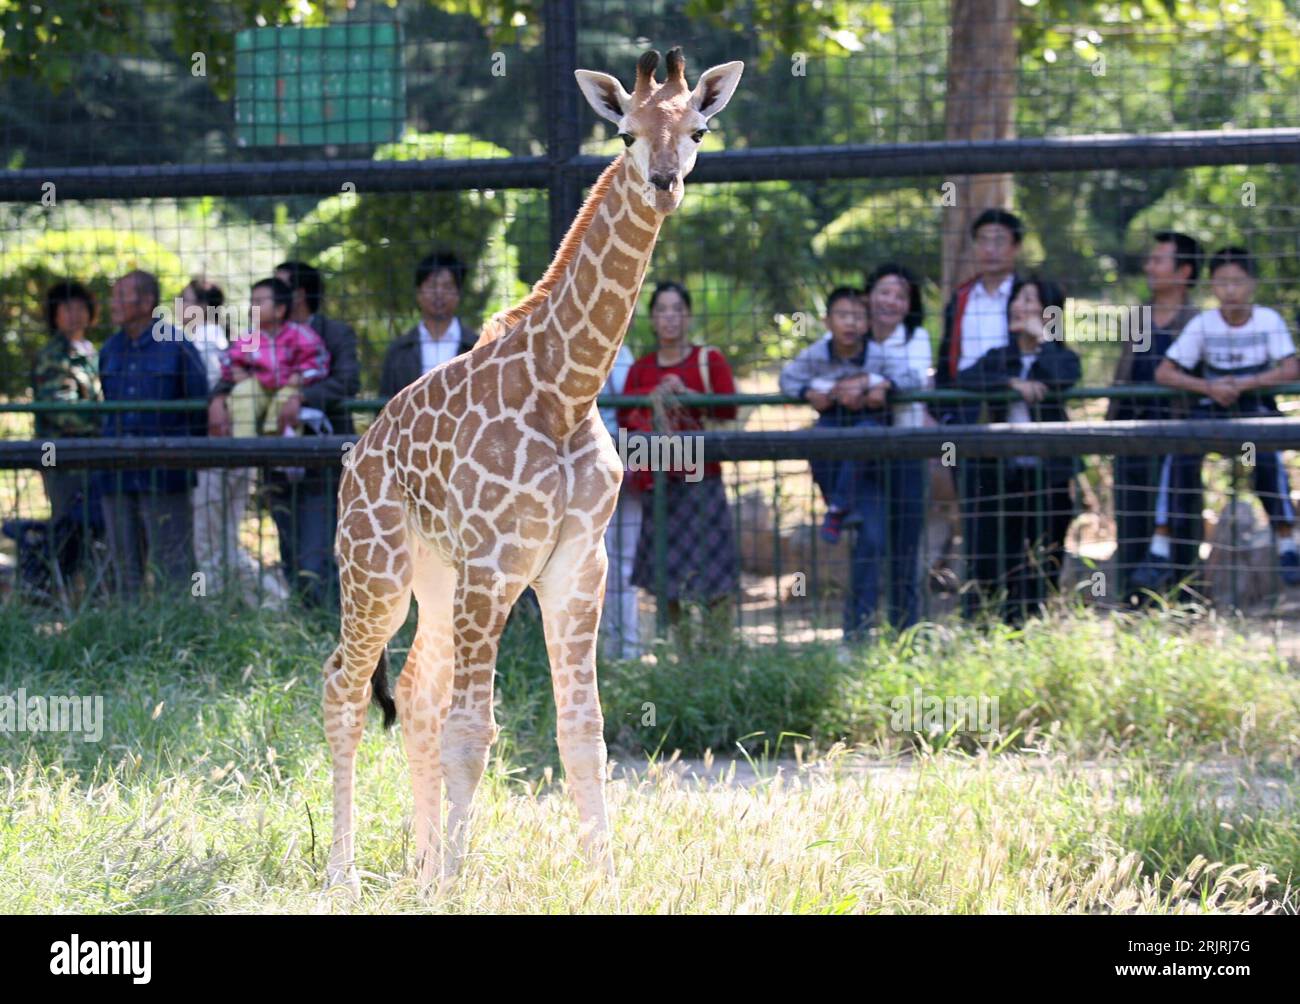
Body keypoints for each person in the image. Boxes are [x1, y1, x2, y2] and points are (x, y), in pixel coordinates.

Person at [1132, 247, 1300, 592]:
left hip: (1255, 407)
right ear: (1211, 286)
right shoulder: (1203, 324)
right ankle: (1160, 544)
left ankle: (1287, 542)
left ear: (1251, 284)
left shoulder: (1267, 320)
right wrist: (1208, 386)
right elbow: (1166, 371)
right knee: (1179, 456)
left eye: (1237, 282)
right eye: (1221, 282)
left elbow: (1290, 367)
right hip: (1211, 408)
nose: (1230, 290)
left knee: (1268, 458)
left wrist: (1245, 384)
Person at [210, 261, 359, 608]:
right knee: (287, 543)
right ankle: (302, 617)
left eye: (277, 288)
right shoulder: (259, 336)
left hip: (319, 457)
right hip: (275, 457)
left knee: (316, 548)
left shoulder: (332, 333)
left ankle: (328, 616)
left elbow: (347, 379)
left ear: (297, 295)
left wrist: (302, 396)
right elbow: (238, 368)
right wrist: (218, 398)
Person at [618, 281, 739, 643]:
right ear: (653, 320)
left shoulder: (709, 360)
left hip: (703, 479)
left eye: (677, 310)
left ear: (688, 316)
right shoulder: (640, 369)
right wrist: (652, 396)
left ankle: (719, 650)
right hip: (659, 484)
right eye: (661, 310)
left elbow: (729, 407)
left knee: (716, 577)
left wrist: (690, 396)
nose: (669, 317)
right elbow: (624, 418)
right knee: (666, 580)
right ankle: (681, 654)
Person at [957, 276, 1081, 625]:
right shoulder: (999, 358)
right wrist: (1012, 384)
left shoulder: (1061, 356)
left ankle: (1037, 624)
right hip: (1005, 477)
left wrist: (1044, 339)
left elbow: (1067, 374)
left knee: (1047, 554)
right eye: (1017, 300)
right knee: (1004, 556)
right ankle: (1003, 626)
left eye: (1029, 300)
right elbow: (965, 378)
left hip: (1051, 477)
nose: (1018, 307)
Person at [934, 208, 1026, 610]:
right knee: (976, 523)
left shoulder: (1033, 293)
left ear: (1015, 247)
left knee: (1022, 523)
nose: (990, 249)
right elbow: (948, 368)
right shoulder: (961, 297)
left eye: (999, 240)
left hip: (1022, 425)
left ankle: (1023, 614)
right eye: (983, 240)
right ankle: (979, 615)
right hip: (971, 429)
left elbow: (1052, 352)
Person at [97, 269, 208, 597]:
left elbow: (198, 409)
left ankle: (180, 634)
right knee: (123, 567)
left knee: (174, 565)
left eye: (121, 296)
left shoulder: (177, 346)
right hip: (116, 475)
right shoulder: (109, 349)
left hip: (165, 476)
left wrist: (180, 455)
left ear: (146, 301)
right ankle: (125, 636)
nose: (112, 303)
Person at [1109, 233, 1203, 600]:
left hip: (1179, 439)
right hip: (1133, 437)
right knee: (1131, 519)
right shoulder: (1139, 318)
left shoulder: (1197, 321)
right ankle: (1132, 603)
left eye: (1158, 261)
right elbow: (1125, 372)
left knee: (1181, 516)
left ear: (1183, 271)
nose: (1149, 267)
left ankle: (1183, 603)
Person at [860, 263, 933, 631]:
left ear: (909, 304)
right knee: (869, 543)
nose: (891, 301)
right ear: (868, 295)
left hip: (906, 451)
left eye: (901, 295)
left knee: (907, 549)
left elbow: (915, 378)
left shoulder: (916, 337)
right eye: (885, 291)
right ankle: (856, 634)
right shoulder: (854, 336)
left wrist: (876, 382)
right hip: (861, 454)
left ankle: (908, 631)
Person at [778, 287, 880, 545]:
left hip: (866, 419)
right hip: (831, 417)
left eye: (857, 317)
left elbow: (908, 378)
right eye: (842, 315)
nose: (850, 323)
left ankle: (837, 509)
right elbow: (787, 378)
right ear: (827, 322)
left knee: (863, 436)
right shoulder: (815, 353)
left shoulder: (877, 354)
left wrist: (874, 382)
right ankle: (837, 504)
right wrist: (809, 392)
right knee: (817, 441)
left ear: (867, 324)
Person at [28, 280, 104, 595]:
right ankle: (61, 594)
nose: (74, 315)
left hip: (97, 459)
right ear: (54, 315)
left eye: (80, 308)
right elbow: (61, 411)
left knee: (97, 531)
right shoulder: (53, 356)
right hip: (63, 460)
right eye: (66, 309)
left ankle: (94, 597)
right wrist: (106, 423)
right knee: (68, 529)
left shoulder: (93, 353)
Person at [380, 251, 479, 398]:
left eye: (447, 286)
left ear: (458, 293)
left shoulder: (478, 347)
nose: (439, 293)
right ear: (418, 292)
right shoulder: (398, 351)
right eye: (432, 286)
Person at [599, 341, 640, 660]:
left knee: (622, 560)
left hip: (625, 459)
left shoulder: (622, 354)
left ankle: (629, 645)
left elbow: (632, 405)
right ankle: (606, 647)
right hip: (582, 463)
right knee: (597, 562)